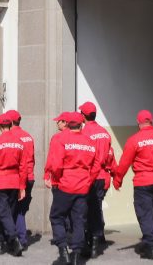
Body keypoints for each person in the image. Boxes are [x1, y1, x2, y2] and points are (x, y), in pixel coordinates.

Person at [112, 109, 153, 261]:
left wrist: (118, 180)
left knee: (144, 213)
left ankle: (150, 246)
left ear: (138, 123)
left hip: (143, 181)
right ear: (152, 121)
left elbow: (125, 162)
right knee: (152, 212)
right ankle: (149, 240)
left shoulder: (134, 140)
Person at [46, 111, 102, 265]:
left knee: (57, 217)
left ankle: (63, 249)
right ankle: (76, 255)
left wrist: (56, 179)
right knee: (78, 220)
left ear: (68, 123)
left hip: (65, 185)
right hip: (83, 186)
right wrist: (88, 180)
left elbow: (56, 165)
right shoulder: (89, 141)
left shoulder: (61, 138)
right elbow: (97, 165)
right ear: (81, 123)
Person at [0, 113, 28, 257]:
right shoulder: (20, 142)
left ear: (0, 126)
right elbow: (23, 166)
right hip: (14, 181)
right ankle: (1, 243)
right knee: (8, 213)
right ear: (11, 124)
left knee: (1, 213)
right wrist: (22, 186)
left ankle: (13, 239)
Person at [80, 101, 115, 258]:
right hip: (103, 177)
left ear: (83, 116)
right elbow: (109, 153)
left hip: (90, 176)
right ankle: (98, 238)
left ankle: (90, 242)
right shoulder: (105, 132)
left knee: (85, 210)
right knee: (96, 207)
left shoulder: (84, 133)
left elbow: (84, 156)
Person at [6, 109, 36, 251]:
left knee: (11, 210)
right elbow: (32, 159)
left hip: (16, 178)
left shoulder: (11, 137)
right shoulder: (28, 136)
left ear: (10, 122)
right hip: (30, 176)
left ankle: (17, 239)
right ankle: (21, 238)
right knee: (21, 210)